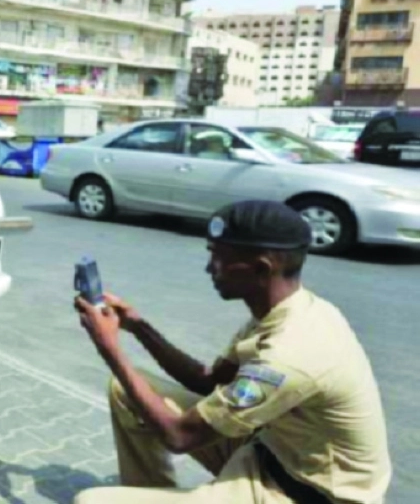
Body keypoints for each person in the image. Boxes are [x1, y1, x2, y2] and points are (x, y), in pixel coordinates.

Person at [73, 200, 391, 504]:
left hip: (304, 493)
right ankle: (147, 494)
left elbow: (179, 437)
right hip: (272, 452)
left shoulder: (289, 353)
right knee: (125, 392)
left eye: (219, 258)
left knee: (89, 500)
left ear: (261, 269)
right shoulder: (286, 311)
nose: (209, 268)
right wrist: (138, 326)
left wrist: (109, 347)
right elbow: (208, 381)